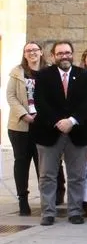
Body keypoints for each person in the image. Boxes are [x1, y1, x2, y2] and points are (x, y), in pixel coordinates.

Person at [31, 41, 87, 226]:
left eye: (67, 52)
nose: (64, 56)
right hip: (49, 132)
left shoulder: (84, 75)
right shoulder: (43, 75)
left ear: (72, 54)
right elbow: (40, 102)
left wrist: (72, 121)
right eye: (60, 53)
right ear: (53, 56)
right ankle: (48, 212)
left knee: (77, 176)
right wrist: (58, 122)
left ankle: (75, 211)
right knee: (47, 175)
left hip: (77, 132)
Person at [6, 42, 47, 215]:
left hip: (43, 126)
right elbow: (11, 96)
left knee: (43, 165)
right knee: (21, 163)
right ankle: (23, 200)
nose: (32, 53)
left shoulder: (49, 72)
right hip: (20, 126)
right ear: (24, 54)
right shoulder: (17, 73)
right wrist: (24, 114)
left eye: (35, 50)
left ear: (41, 52)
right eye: (28, 50)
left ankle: (46, 200)